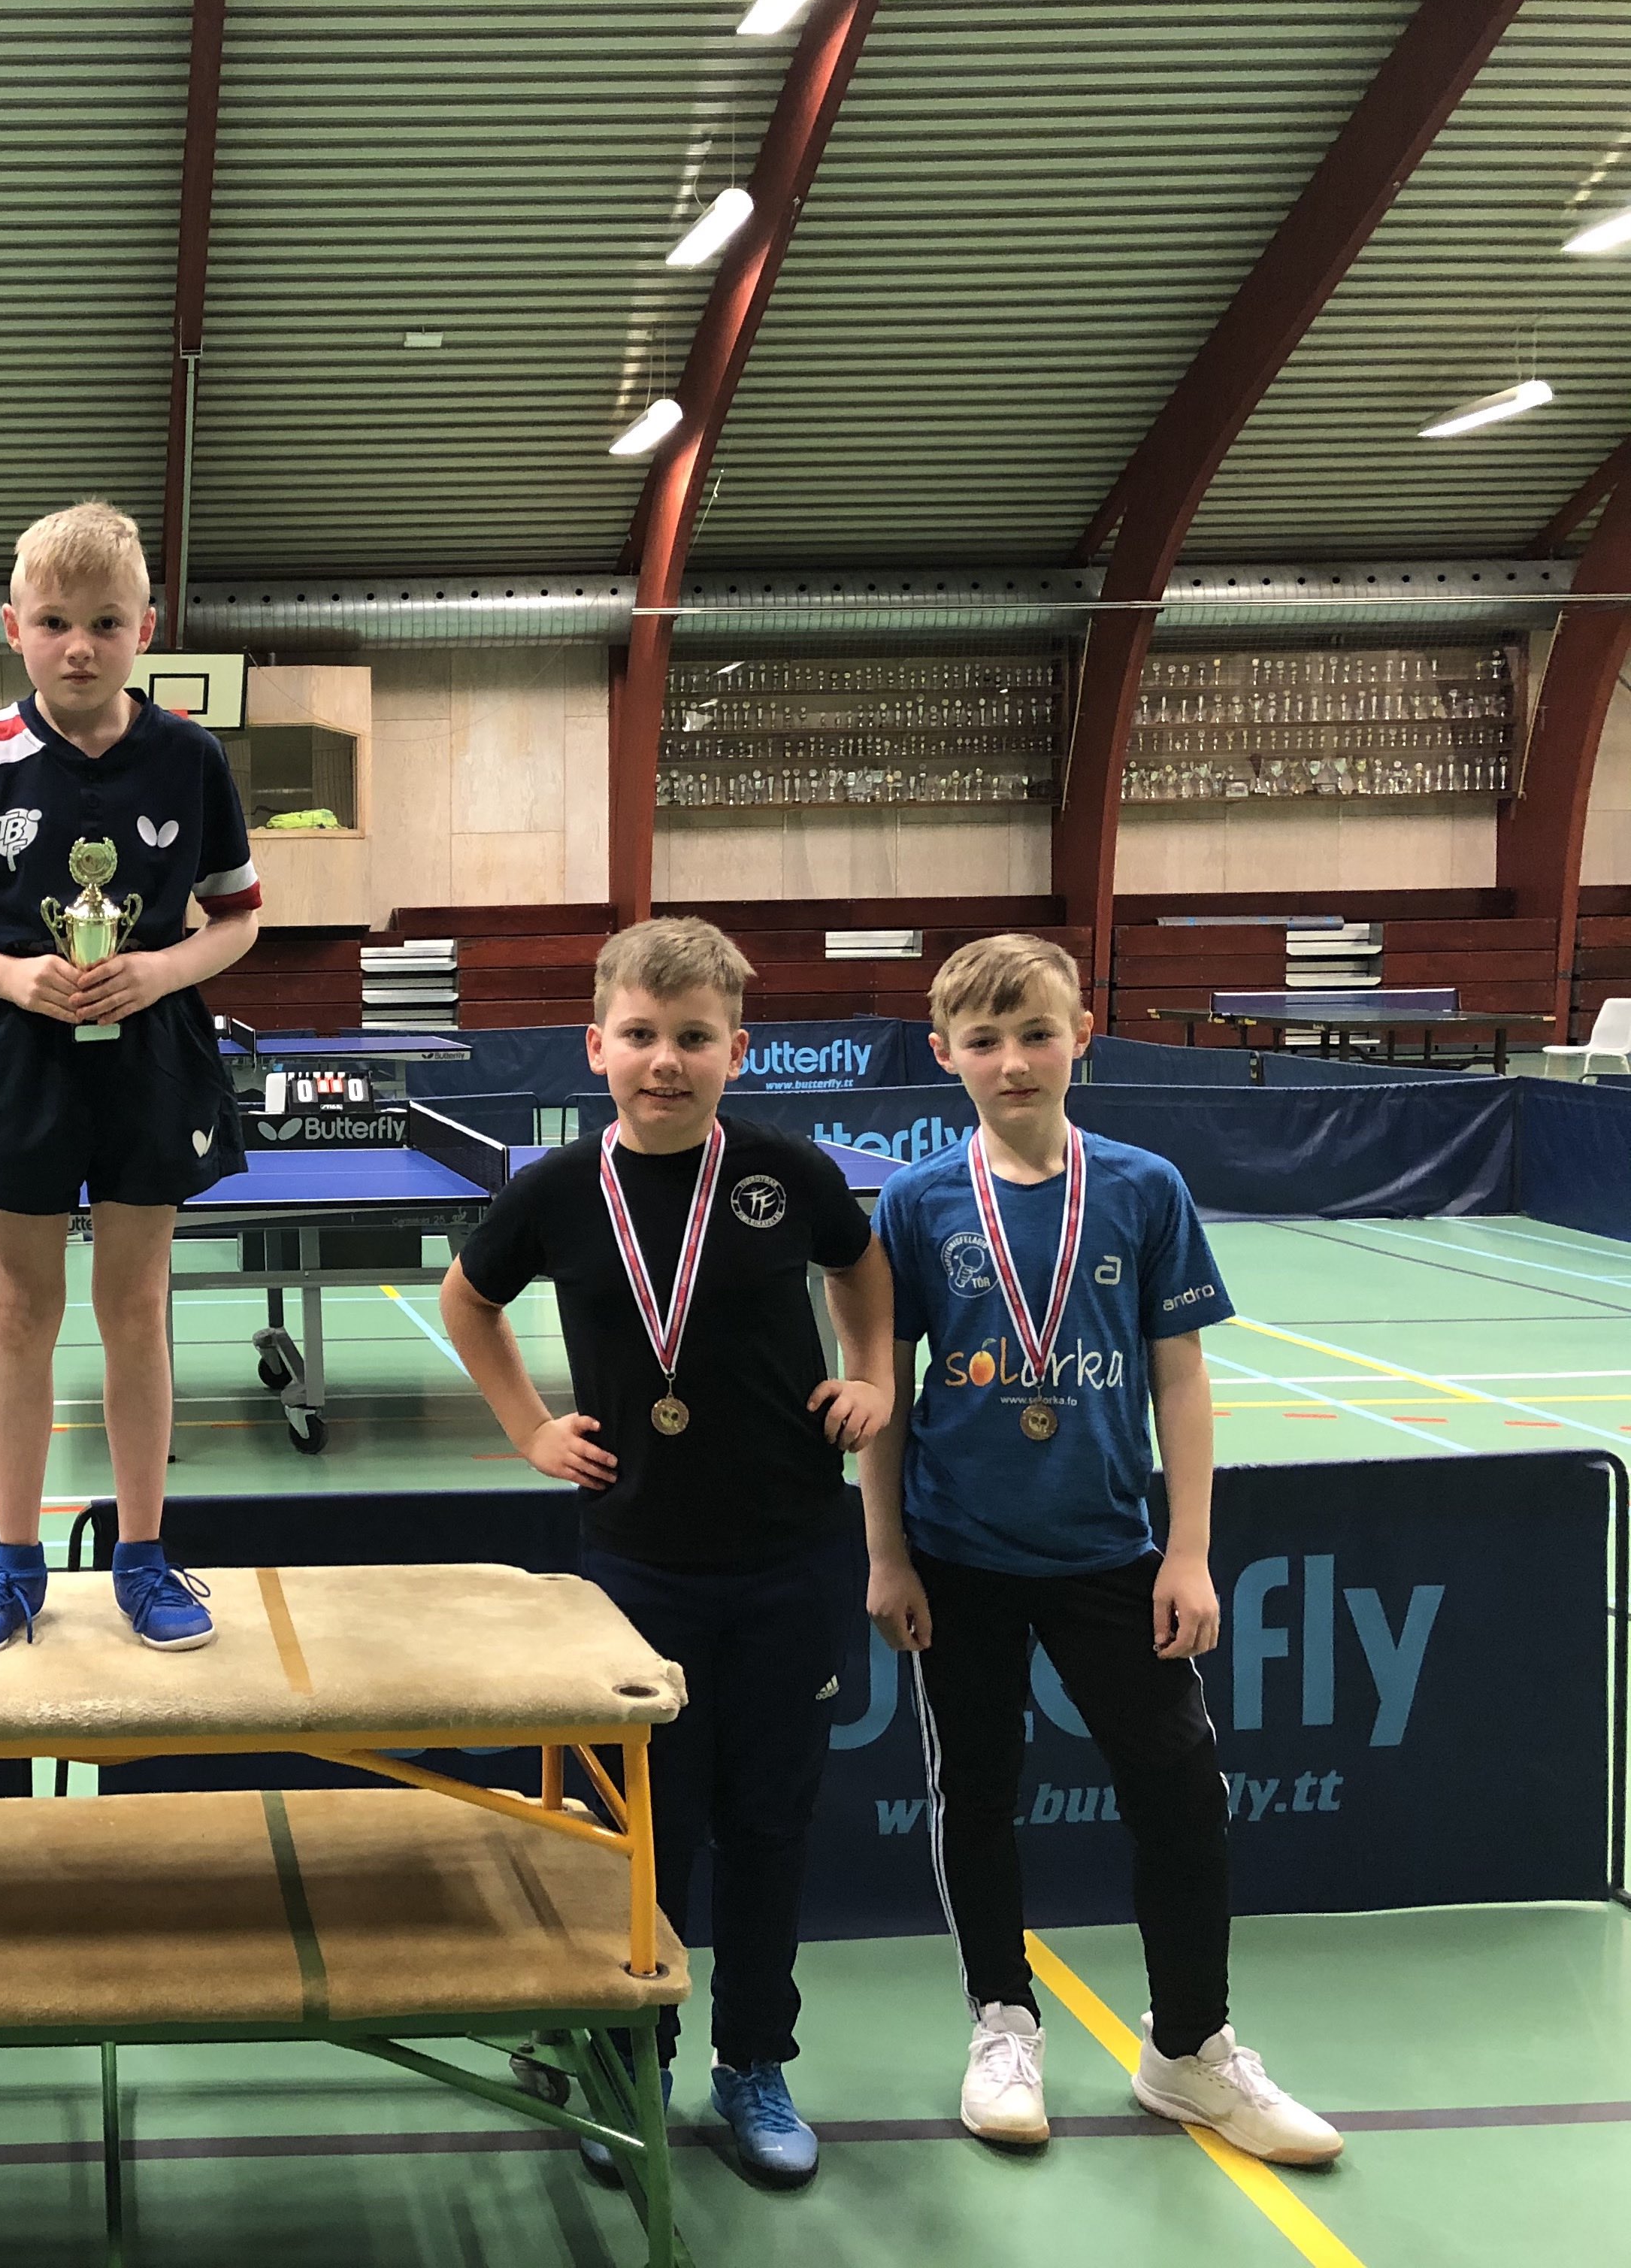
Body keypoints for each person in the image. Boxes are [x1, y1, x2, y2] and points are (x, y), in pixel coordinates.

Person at [858, 934, 1340, 2163]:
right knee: (978, 1795)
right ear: (944, 1054)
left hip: (1114, 1554)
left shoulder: (1143, 1187)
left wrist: (1189, 1552)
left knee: (1180, 1793)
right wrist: (887, 1554)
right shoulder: (915, 1204)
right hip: (957, 1555)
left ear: (1082, 1033)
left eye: (1036, 1034)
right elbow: (888, 1394)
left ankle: (1189, 2049)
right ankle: (1003, 2023)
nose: (1013, 1062)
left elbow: (1181, 1378)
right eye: (984, 1041)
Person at [439, 917, 893, 2187]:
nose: (666, 1061)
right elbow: (469, 1300)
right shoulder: (554, 1191)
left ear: (736, 1052)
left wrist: (870, 1375)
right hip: (636, 1565)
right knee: (647, 1830)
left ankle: (753, 2062)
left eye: (694, 1038)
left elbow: (862, 1269)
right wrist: (529, 1427)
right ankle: (634, 2053)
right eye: (640, 1035)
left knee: (769, 1824)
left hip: (791, 1554)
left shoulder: (784, 1173)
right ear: (596, 1046)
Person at [0, 501, 262, 1655]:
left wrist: (161, 970)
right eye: (54, 622)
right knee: (21, 1311)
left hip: (152, 1052)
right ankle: (13, 1564)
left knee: (137, 1309)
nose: (79, 646)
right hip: (16, 1057)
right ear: (15, 628)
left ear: (147, 627)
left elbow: (239, 919)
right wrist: (10, 976)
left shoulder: (191, 758)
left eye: (105, 622)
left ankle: (143, 1556)